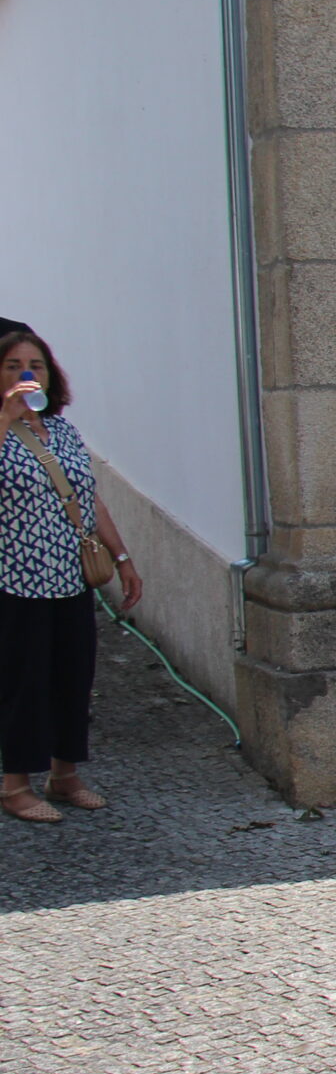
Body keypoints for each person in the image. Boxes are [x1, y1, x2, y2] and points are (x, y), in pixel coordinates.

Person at [1, 331, 141, 823]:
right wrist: (5, 418)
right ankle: (15, 784)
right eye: (13, 364)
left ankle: (64, 776)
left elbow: (89, 496)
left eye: (35, 365)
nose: (26, 373)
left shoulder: (62, 431)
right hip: (16, 581)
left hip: (70, 577)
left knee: (72, 677)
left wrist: (122, 558)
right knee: (24, 682)